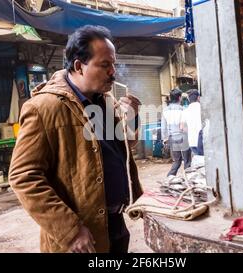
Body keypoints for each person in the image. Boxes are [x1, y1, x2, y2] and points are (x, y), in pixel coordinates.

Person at [9, 25, 143, 253]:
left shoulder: (105, 101)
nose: (113, 72)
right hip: (82, 236)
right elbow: (23, 176)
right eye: (104, 65)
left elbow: (123, 147)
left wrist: (132, 119)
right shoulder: (43, 108)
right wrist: (69, 231)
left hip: (115, 224)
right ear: (79, 66)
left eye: (113, 64)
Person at [162, 89, 192, 176]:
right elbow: (186, 125)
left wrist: (165, 139)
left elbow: (163, 127)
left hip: (172, 137)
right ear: (179, 98)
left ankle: (169, 177)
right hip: (183, 136)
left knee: (177, 161)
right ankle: (189, 180)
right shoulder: (183, 109)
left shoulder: (165, 110)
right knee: (187, 161)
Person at [181, 89, 202, 155]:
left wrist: (191, 132)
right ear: (198, 98)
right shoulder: (203, 108)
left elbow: (182, 127)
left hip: (192, 141)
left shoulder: (185, 111)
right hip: (203, 141)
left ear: (188, 99)